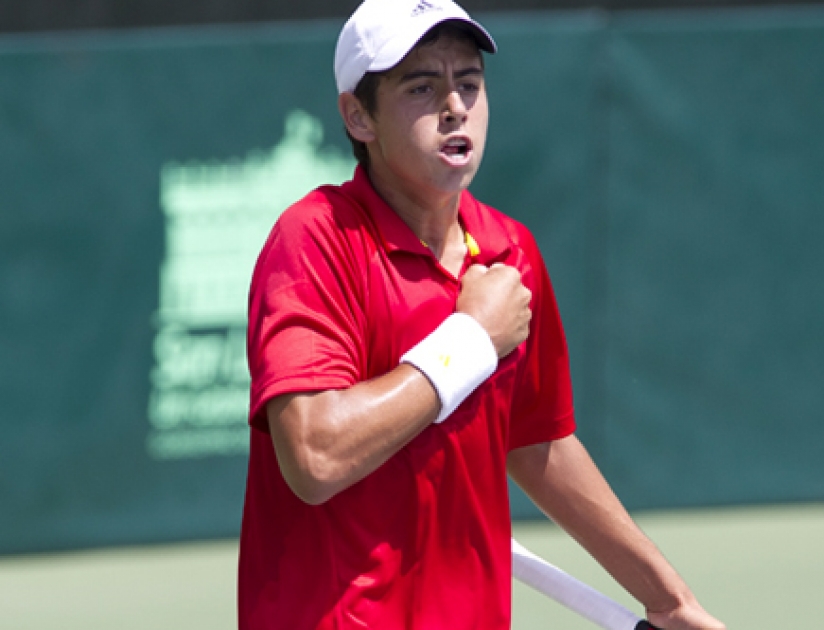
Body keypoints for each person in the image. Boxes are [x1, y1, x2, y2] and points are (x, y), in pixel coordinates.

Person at [238, 0, 726, 629]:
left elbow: (538, 444)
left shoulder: (510, 252)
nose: (454, 106)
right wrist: (470, 341)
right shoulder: (314, 239)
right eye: (422, 86)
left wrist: (669, 599)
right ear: (358, 115)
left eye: (468, 82)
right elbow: (315, 458)